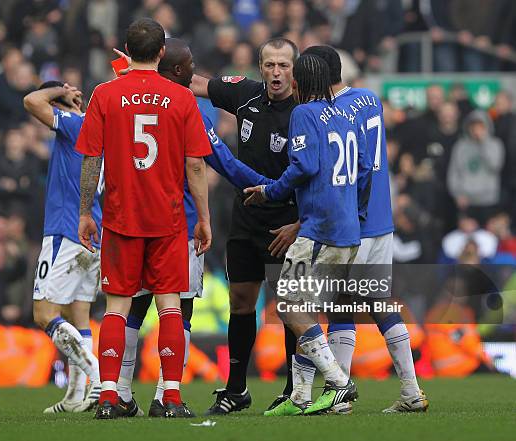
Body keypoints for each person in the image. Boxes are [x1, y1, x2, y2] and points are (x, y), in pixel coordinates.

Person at [114, 38, 272, 417]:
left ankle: (117, 392)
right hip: (176, 224)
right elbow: (223, 163)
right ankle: (165, 396)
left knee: (134, 307)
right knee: (179, 310)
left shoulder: (121, 97)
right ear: (182, 70)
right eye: (191, 64)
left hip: (133, 220)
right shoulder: (187, 107)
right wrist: (273, 188)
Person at [266, 45, 428, 415]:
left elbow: (328, 171)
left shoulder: (326, 113)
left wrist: (301, 220)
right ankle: (411, 389)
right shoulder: (369, 100)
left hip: (347, 222)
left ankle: (333, 394)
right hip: (381, 220)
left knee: (314, 305)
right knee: (374, 301)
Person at [76, 18, 212, 419]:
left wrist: (86, 211)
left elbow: (91, 159)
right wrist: (203, 218)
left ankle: (107, 396)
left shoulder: (104, 95)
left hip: (120, 218)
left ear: (127, 49)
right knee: (170, 306)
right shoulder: (182, 98)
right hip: (168, 220)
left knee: (117, 308)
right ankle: (170, 396)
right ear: (161, 53)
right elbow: (196, 166)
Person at [243, 53, 371, 415]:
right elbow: (364, 169)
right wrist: (354, 213)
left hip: (321, 230)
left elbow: (304, 166)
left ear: (298, 83)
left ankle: (339, 382)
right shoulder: (347, 115)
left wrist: (269, 191)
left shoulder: (303, 113)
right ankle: (300, 396)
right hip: (346, 228)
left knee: (289, 305)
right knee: (308, 310)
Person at [189, 37, 301, 414]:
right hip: (246, 219)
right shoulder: (247, 95)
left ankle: (294, 389)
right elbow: (198, 83)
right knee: (242, 302)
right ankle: (237, 389)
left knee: (290, 308)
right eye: (269, 64)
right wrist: (149, 67)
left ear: (294, 70)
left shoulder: (307, 112)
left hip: (288, 222)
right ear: (260, 66)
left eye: (283, 65)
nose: (276, 72)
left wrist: (301, 223)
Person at [23, 80, 103, 413]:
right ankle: (74, 396)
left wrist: (59, 93)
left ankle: (98, 379)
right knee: (78, 315)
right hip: (95, 236)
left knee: (44, 313)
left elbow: (31, 101)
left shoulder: (76, 125)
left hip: (66, 232)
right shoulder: (103, 133)